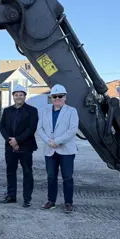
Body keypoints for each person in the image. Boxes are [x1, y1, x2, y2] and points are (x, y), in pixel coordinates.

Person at [37, 84, 79, 213]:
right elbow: (40, 128)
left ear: (65, 97)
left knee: (67, 177)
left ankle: (68, 203)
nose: (57, 98)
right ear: (51, 98)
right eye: (54, 96)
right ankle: (51, 201)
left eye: (60, 96)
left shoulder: (72, 111)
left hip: (66, 150)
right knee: (51, 177)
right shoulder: (45, 111)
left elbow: (72, 129)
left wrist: (58, 141)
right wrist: (49, 142)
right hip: (50, 149)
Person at [0, 84, 39, 207]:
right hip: (10, 147)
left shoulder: (32, 110)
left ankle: (27, 198)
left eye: (21, 95)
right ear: (13, 97)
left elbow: (31, 128)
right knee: (10, 172)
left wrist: (17, 141)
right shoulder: (7, 110)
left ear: (25, 96)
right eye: (16, 95)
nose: (18, 97)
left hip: (26, 147)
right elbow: (2, 127)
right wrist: (11, 141)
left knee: (27, 172)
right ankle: (11, 196)